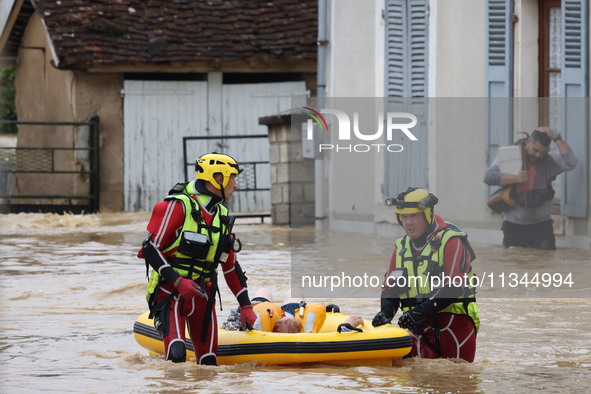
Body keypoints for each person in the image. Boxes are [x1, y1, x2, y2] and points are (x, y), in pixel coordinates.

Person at [138, 152, 257, 365]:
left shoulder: (221, 215)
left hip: (204, 296)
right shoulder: (176, 207)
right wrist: (177, 281)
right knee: (176, 355)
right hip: (171, 294)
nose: (236, 185)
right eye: (233, 178)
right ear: (218, 178)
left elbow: (229, 266)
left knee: (209, 364)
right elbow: (149, 248)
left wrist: (246, 306)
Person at [372, 187, 480, 363]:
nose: (408, 223)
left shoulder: (451, 241)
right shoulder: (401, 247)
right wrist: (385, 313)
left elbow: (454, 288)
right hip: (418, 329)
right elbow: (390, 289)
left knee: (458, 379)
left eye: (413, 216)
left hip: (455, 328)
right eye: (404, 217)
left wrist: (417, 313)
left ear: (428, 214)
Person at [484, 127, 577, 250]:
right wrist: (515, 178)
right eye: (535, 150)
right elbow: (488, 177)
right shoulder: (510, 157)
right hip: (513, 225)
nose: (539, 155)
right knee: (514, 267)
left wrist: (556, 137)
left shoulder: (548, 159)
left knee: (545, 266)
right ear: (528, 142)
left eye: (543, 152)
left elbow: (571, 162)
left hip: (543, 226)